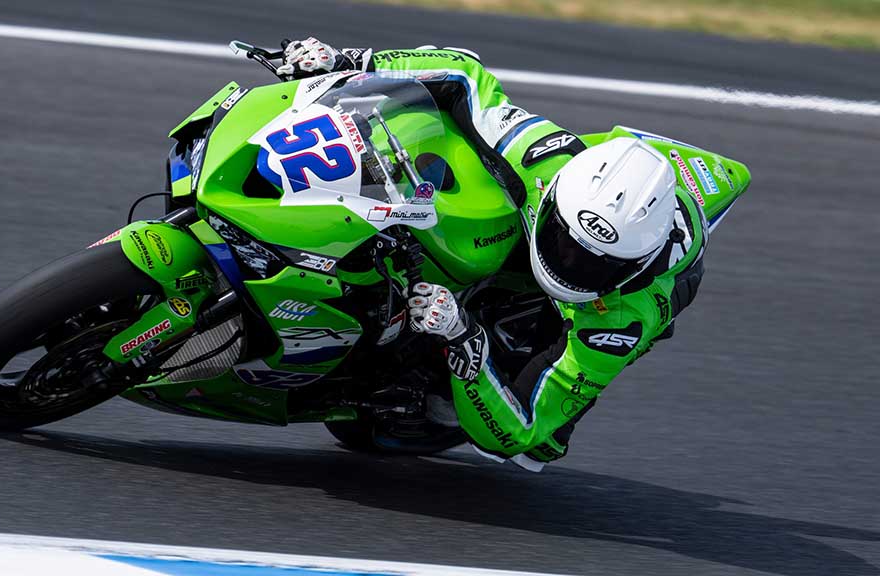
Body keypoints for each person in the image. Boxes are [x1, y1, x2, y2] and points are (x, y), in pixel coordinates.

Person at [278, 38, 706, 471]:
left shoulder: (619, 320)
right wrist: (354, 61)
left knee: (538, 446)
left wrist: (463, 337)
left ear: (632, 266)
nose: (569, 264)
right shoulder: (544, 159)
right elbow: (466, 74)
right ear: (554, 198)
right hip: (565, 205)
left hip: (590, 318)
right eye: (564, 240)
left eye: (596, 264)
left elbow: (521, 430)